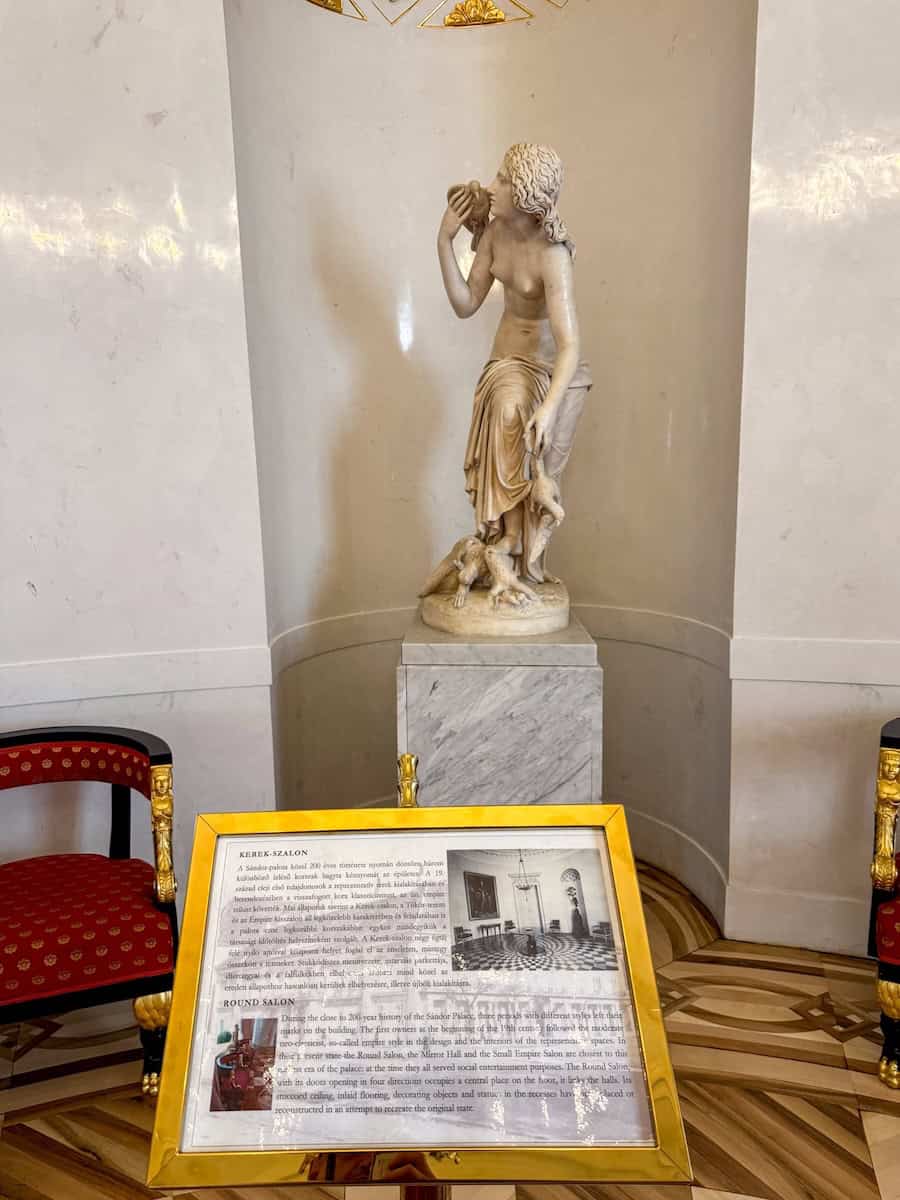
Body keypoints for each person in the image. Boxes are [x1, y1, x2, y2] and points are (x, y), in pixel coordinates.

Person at [437, 143, 591, 583]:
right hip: (506, 364)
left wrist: (547, 408)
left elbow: (570, 345)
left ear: (523, 194)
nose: (492, 185)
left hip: (547, 371)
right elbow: (466, 303)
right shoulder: (494, 235)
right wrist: (445, 241)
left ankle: (521, 558)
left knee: (530, 451)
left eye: (503, 179)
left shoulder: (552, 255)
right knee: (505, 408)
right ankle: (500, 543)